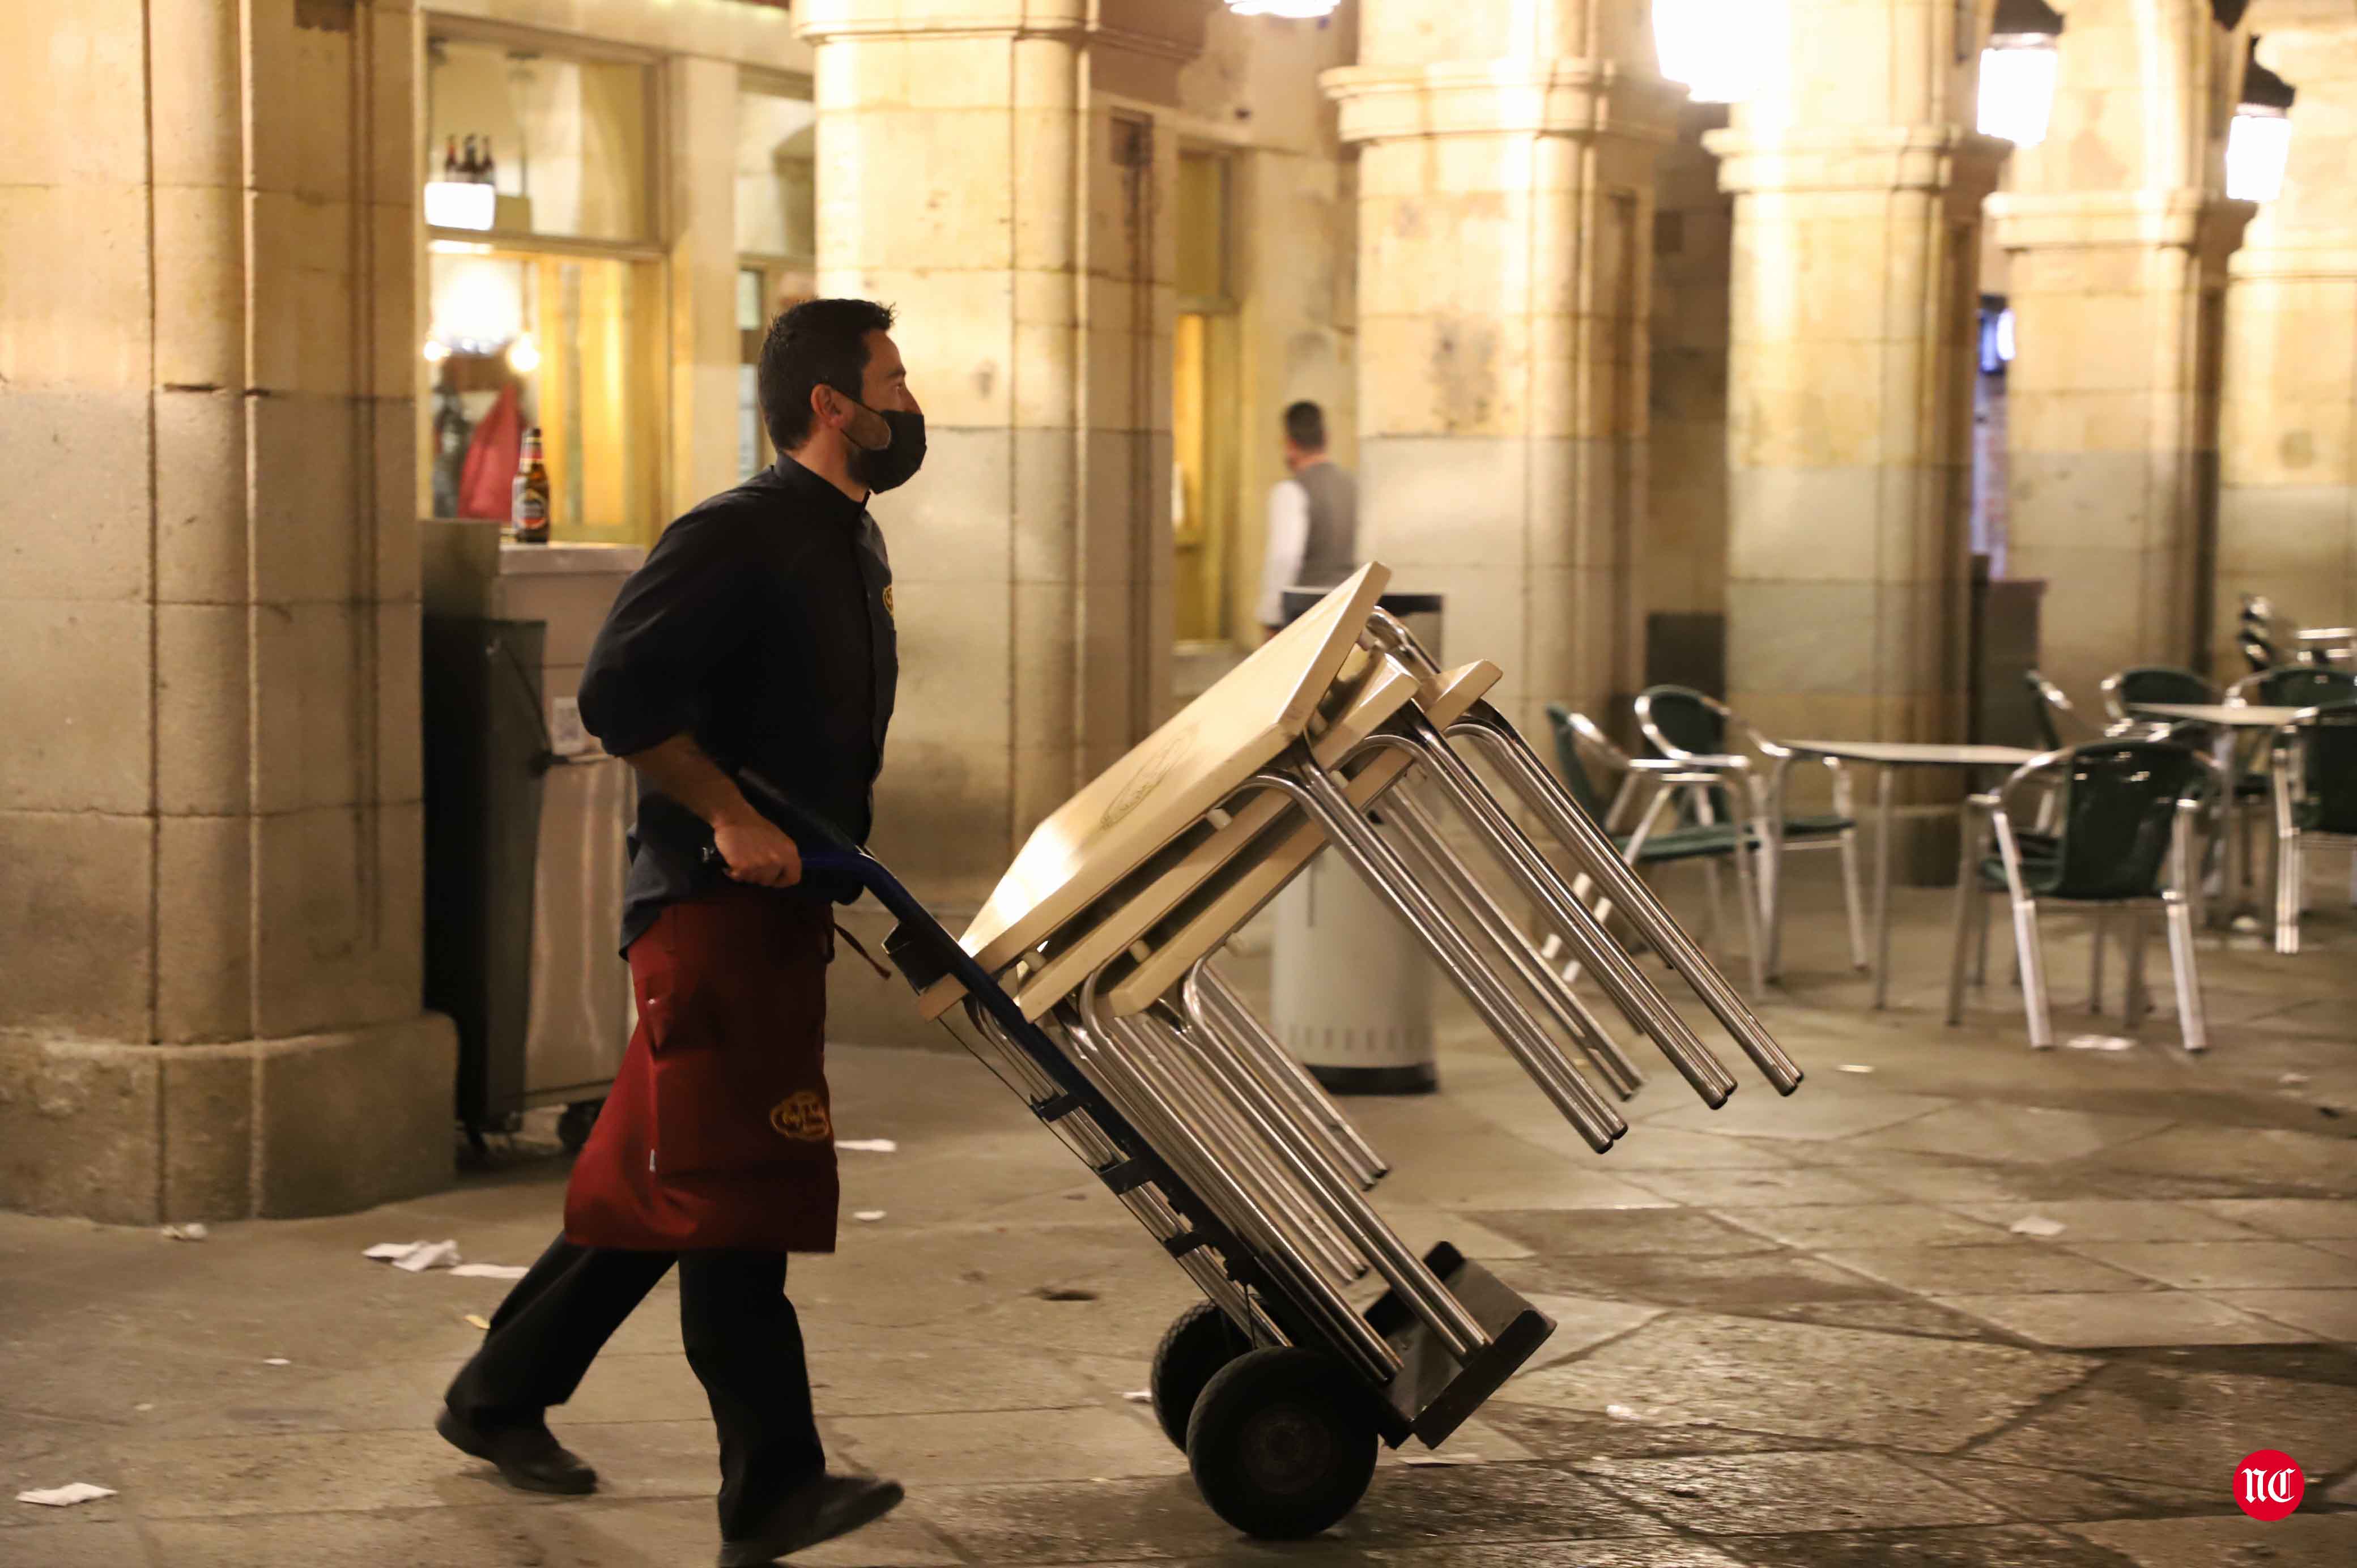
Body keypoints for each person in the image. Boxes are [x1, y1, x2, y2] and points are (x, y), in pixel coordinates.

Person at [436, 297, 921, 1568]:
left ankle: (496, 1395)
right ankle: (773, 1483)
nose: (909, 400)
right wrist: (726, 813)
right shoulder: (739, 534)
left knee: (667, 1175)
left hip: (783, 908)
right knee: (732, 1189)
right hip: (708, 912)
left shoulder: (849, 542)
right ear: (833, 406)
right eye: (893, 378)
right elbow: (617, 691)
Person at [1253, 400, 1359, 640]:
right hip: (1350, 611)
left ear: (1289, 443)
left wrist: (1271, 617)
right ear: (1326, 437)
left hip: (1307, 617)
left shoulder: (1291, 491)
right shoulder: (1353, 486)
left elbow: (1284, 558)